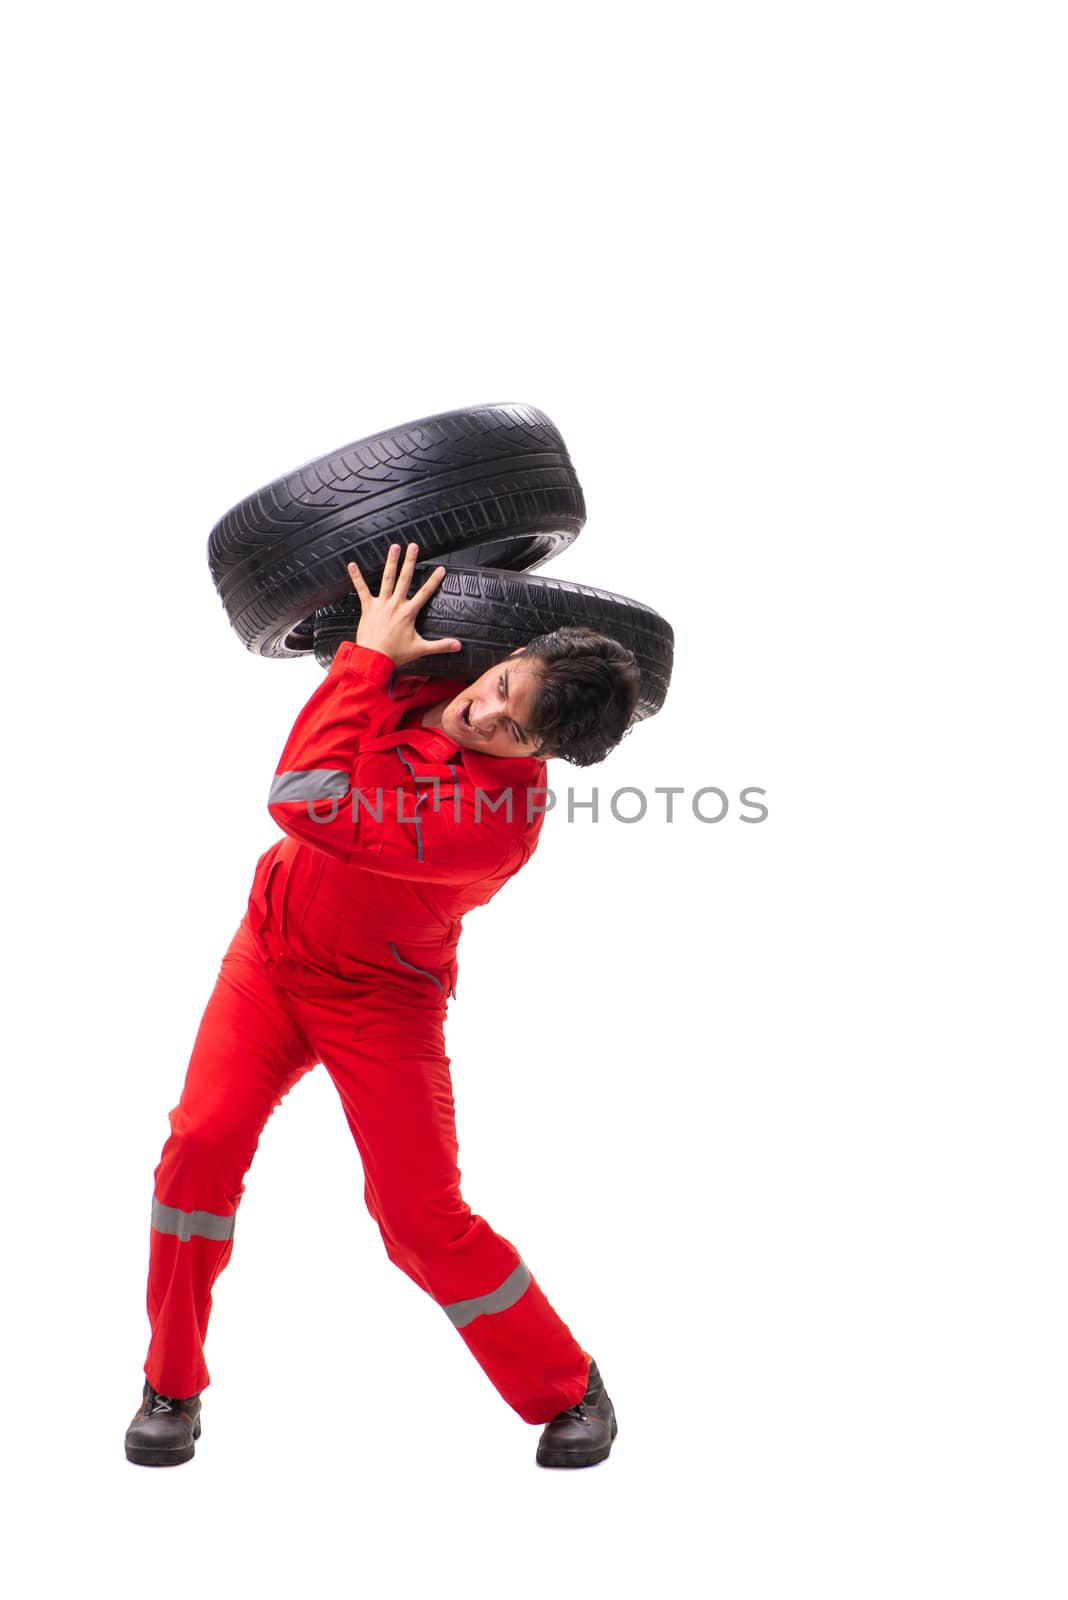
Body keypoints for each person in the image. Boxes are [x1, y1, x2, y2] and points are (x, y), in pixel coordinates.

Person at [125, 541, 641, 1470]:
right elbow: (335, 637)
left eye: (511, 726)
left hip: (381, 1000)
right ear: (511, 652)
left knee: (417, 1216)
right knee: (199, 1147)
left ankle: (571, 1388)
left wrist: (366, 659)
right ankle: (171, 1381)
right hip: (270, 958)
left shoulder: (492, 829)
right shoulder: (440, 667)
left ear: (543, 756)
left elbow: (305, 799)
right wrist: (367, 633)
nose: (479, 707)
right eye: (503, 680)